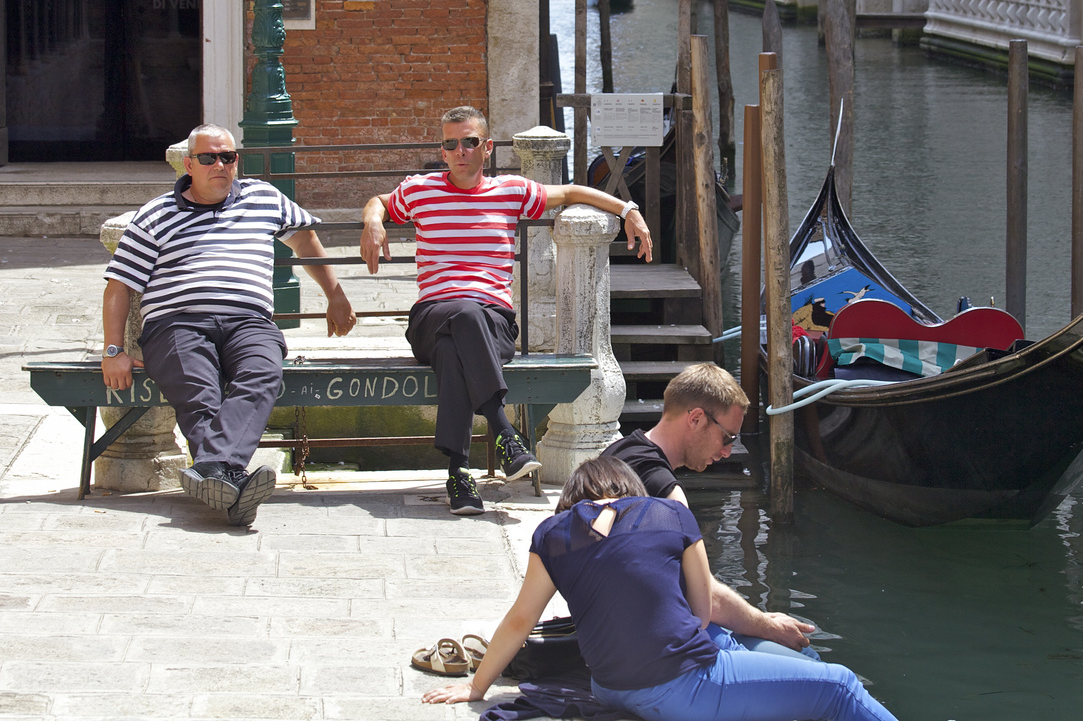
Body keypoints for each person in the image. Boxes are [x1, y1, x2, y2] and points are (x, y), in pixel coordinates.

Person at [422, 456, 897, 721]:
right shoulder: (672, 513)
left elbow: (521, 620)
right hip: (679, 689)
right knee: (839, 686)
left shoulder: (553, 532)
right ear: (631, 489)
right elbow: (703, 608)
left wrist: (477, 686)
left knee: (719, 644)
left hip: (607, 687)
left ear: (572, 502)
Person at [361, 106, 654, 515]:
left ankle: (459, 473)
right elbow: (379, 201)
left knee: (457, 343)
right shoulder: (420, 190)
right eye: (450, 144)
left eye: (468, 142)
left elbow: (571, 192)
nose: (459, 150)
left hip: (492, 324)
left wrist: (629, 211)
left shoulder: (511, 191)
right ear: (442, 151)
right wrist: (374, 221)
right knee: (460, 316)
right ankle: (503, 433)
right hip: (431, 315)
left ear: (487, 147)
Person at [102, 124, 357, 526]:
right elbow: (119, 286)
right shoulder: (155, 214)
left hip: (249, 321)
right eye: (209, 158)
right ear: (189, 164)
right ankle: (232, 485)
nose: (220, 165)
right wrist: (113, 351)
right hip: (176, 324)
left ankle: (216, 476)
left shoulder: (264, 198)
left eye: (228, 157)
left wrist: (335, 294)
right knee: (199, 393)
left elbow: (304, 240)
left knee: (263, 373)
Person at [606, 363, 815, 655]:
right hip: (651, 644)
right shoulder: (669, 497)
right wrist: (767, 625)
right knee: (805, 656)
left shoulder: (617, 453)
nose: (728, 451)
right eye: (727, 438)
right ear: (695, 419)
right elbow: (705, 600)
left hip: (614, 628)